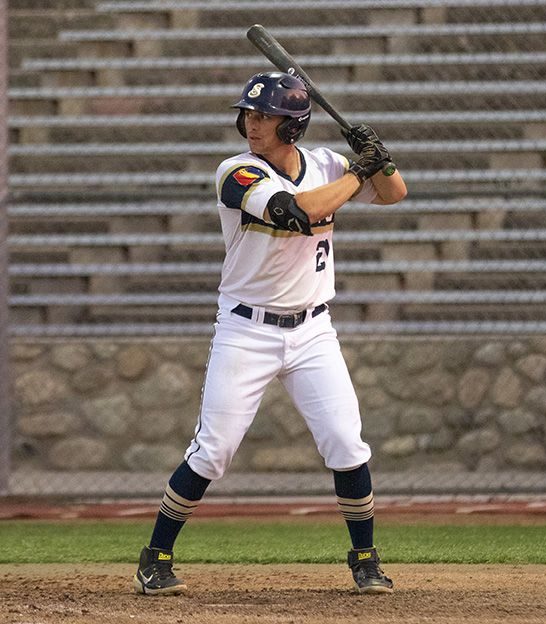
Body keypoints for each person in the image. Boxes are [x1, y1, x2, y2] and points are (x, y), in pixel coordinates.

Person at [132, 71, 406, 596]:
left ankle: (366, 559)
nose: (251, 124)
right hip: (245, 330)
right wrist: (360, 169)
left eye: (265, 116)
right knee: (214, 450)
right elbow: (298, 212)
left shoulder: (330, 165)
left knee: (347, 444)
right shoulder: (234, 172)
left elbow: (395, 193)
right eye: (250, 114)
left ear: (293, 126)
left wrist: (379, 158)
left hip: (313, 330)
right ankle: (156, 556)